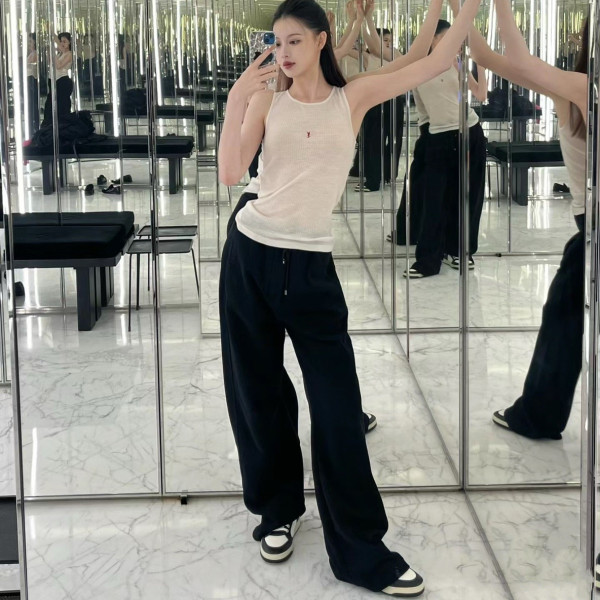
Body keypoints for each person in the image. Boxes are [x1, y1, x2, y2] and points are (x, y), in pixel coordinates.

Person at [217, 0, 481, 596]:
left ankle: (361, 549)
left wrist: (462, 7)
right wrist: (237, 98)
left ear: (321, 41)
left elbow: (431, 58)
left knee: (337, 407)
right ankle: (277, 509)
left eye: (294, 41)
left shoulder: (351, 98)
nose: (283, 53)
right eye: (276, 42)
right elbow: (232, 172)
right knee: (258, 391)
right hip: (251, 253)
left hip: (312, 266)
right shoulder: (267, 98)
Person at [445, 0, 588, 439]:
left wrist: (495, 4)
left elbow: (509, 59)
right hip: (588, 232)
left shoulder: (581, 87)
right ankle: (539, 414)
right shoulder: (575, 88)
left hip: (592, 230)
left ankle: (539, 415)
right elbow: (487, 58)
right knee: (563, 311)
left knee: (563, 315)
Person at [403, 19, 488, 278]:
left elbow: (479, 94)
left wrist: (481, 64)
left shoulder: (457, 62)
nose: (455, 43)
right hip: (438, 136)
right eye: (447, 37)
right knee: (434, 201)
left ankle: (460, 251)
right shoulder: (418, 67)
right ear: (432, 39)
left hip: (470, 131)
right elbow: (424, 110)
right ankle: (428, 260)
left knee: (468, 196)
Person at [41, 32, 73, 126]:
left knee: (61, 107)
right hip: (53, 81)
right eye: (61, 42)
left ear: (70, 43)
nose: (62, 44)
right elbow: (51, 63)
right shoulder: (60, 54)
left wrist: (53, 51)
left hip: (62, 81)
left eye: (64, 41)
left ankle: (62, 128)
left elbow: (59, 66)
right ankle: (49, 127)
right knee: (49, 107)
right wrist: (50, 52)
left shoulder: (69, 54)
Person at [26, 33, 39, 133]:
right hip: (29, 78)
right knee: (30, 103)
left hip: (31, 79)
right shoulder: (31, 53)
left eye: (30, 41)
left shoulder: (35, 54)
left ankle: (34, 124)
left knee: (32, 103)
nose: (28, 43)